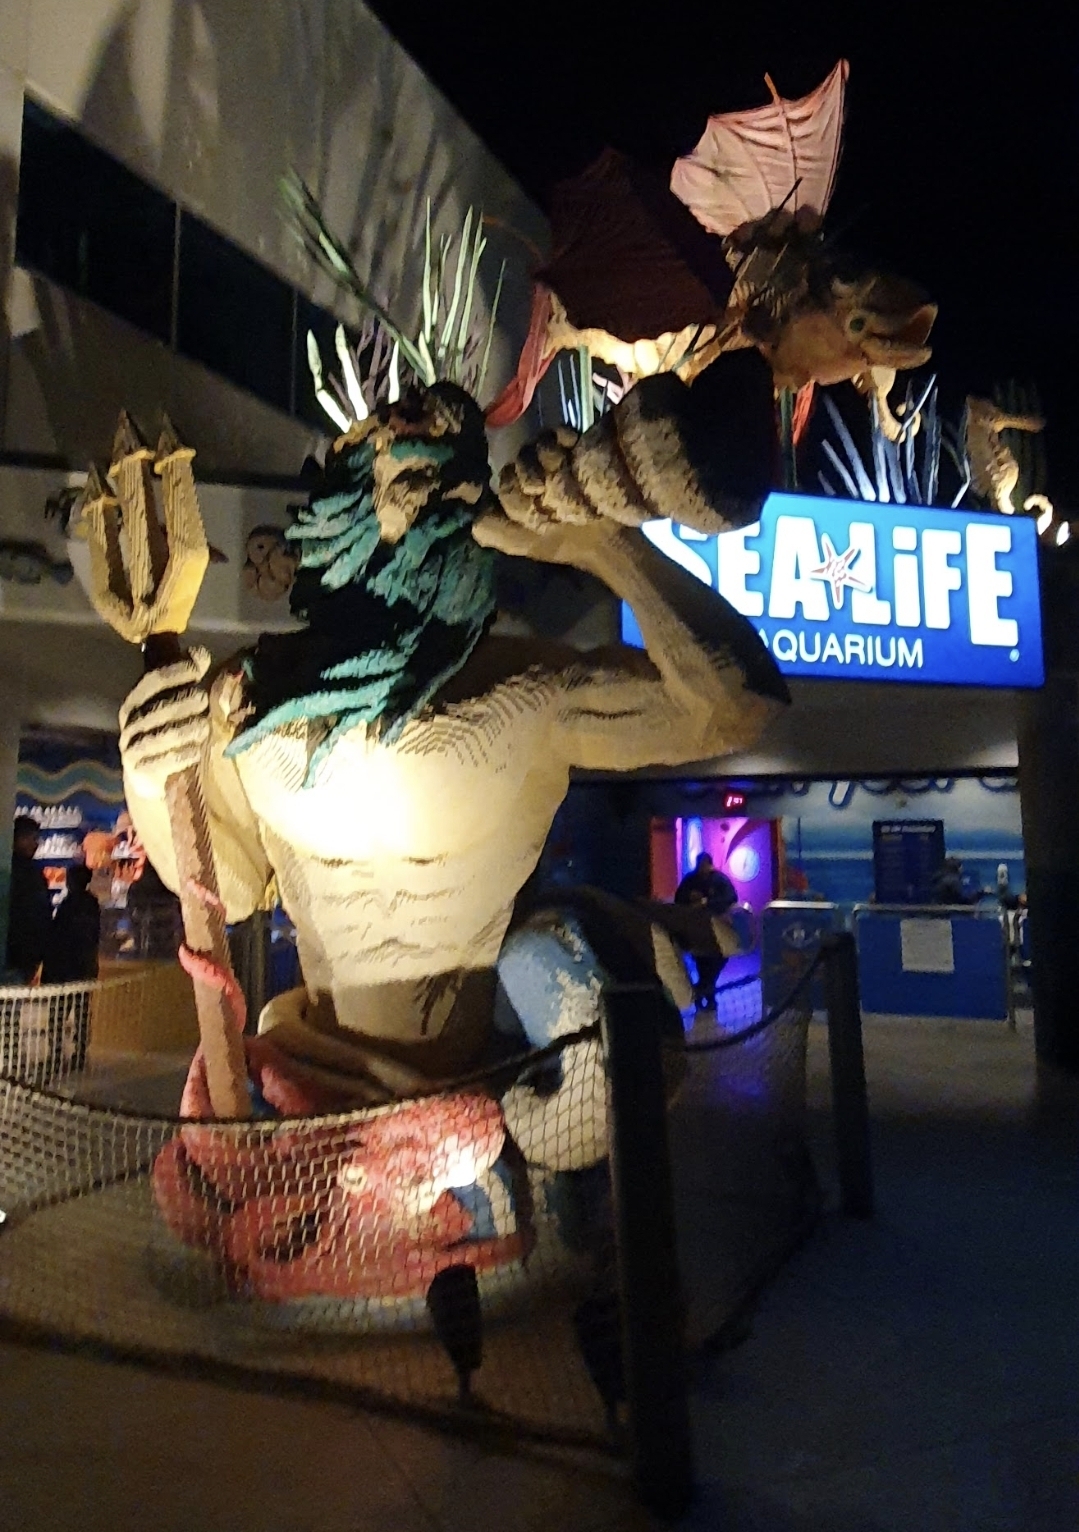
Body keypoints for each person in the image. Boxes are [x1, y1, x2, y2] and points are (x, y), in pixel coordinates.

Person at [674, 853, 738, 1008]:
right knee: (702, 963)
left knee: (717, 959)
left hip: (717, 928)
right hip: (696, 929)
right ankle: (708, 996)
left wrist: (708, 903)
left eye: (704, 865)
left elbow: (731, 897)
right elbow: (679, 899)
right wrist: (690, 900)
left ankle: (702, 990)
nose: (701, 868)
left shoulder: (719, 880)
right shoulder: (690, 880)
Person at [6, 815, 52, 982]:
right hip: (22, 952)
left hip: (17, 951)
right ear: (19, 839)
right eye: (32, 838)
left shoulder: (14, 869)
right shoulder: (29, 874)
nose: (36, 844)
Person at [42, 863, 101, 983]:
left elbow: (58, 935)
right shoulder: (91, 904)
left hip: (66, 967)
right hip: (84, 966)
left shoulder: (70, 905)